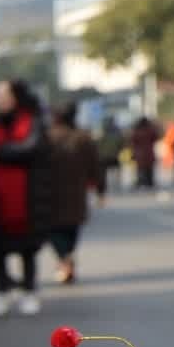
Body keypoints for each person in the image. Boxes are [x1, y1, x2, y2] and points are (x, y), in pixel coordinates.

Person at [0, 78, 53, 316]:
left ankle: (29, 290)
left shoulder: (32, 121)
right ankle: (2, 291)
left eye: (3, 94)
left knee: (27, 247)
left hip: (26, 194)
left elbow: (31, 149)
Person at [46, 101, 104, 284]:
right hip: (76, 194)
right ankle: (67, 258)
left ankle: (64, 259)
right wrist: (101, 190)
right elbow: (96, 167)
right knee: (71, 229)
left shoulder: (47, 137)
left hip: (51, 194)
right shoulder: (83, 138)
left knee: (53, 230)